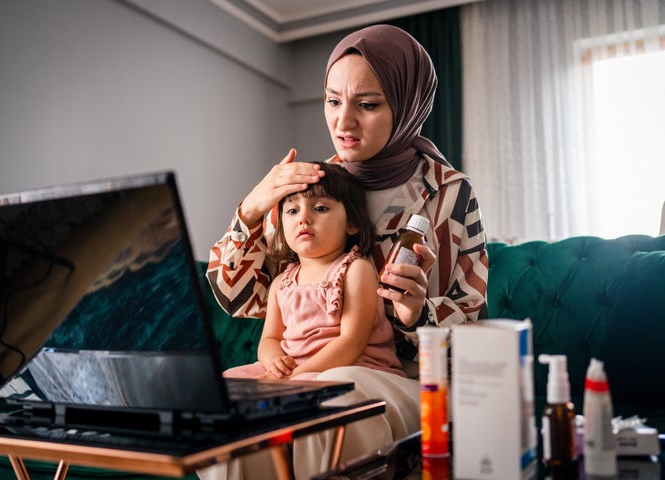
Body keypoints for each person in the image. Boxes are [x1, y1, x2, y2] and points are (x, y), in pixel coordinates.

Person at [204, 24, 488, 480]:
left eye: (368, 104)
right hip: (308, 373)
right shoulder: (318, 186)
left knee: (331, 395)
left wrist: (419, 315)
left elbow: (473, 323)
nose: (343, 123)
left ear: (408, 105)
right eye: (333, 101)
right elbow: (242, 297)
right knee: (224, 407)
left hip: (409, 382)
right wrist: (252, 209)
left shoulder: (448, 193)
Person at [222, 162, 405, 381]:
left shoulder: (356, 270)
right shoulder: (282, 283)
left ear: (352, 223)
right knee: (229, 380)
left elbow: (351, 342)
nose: (303, 218)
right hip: (294, 370)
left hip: (350, 366)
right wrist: (275, 362)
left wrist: (293, 378)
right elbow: (269, 339)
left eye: (320, 208)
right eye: (292, 210)